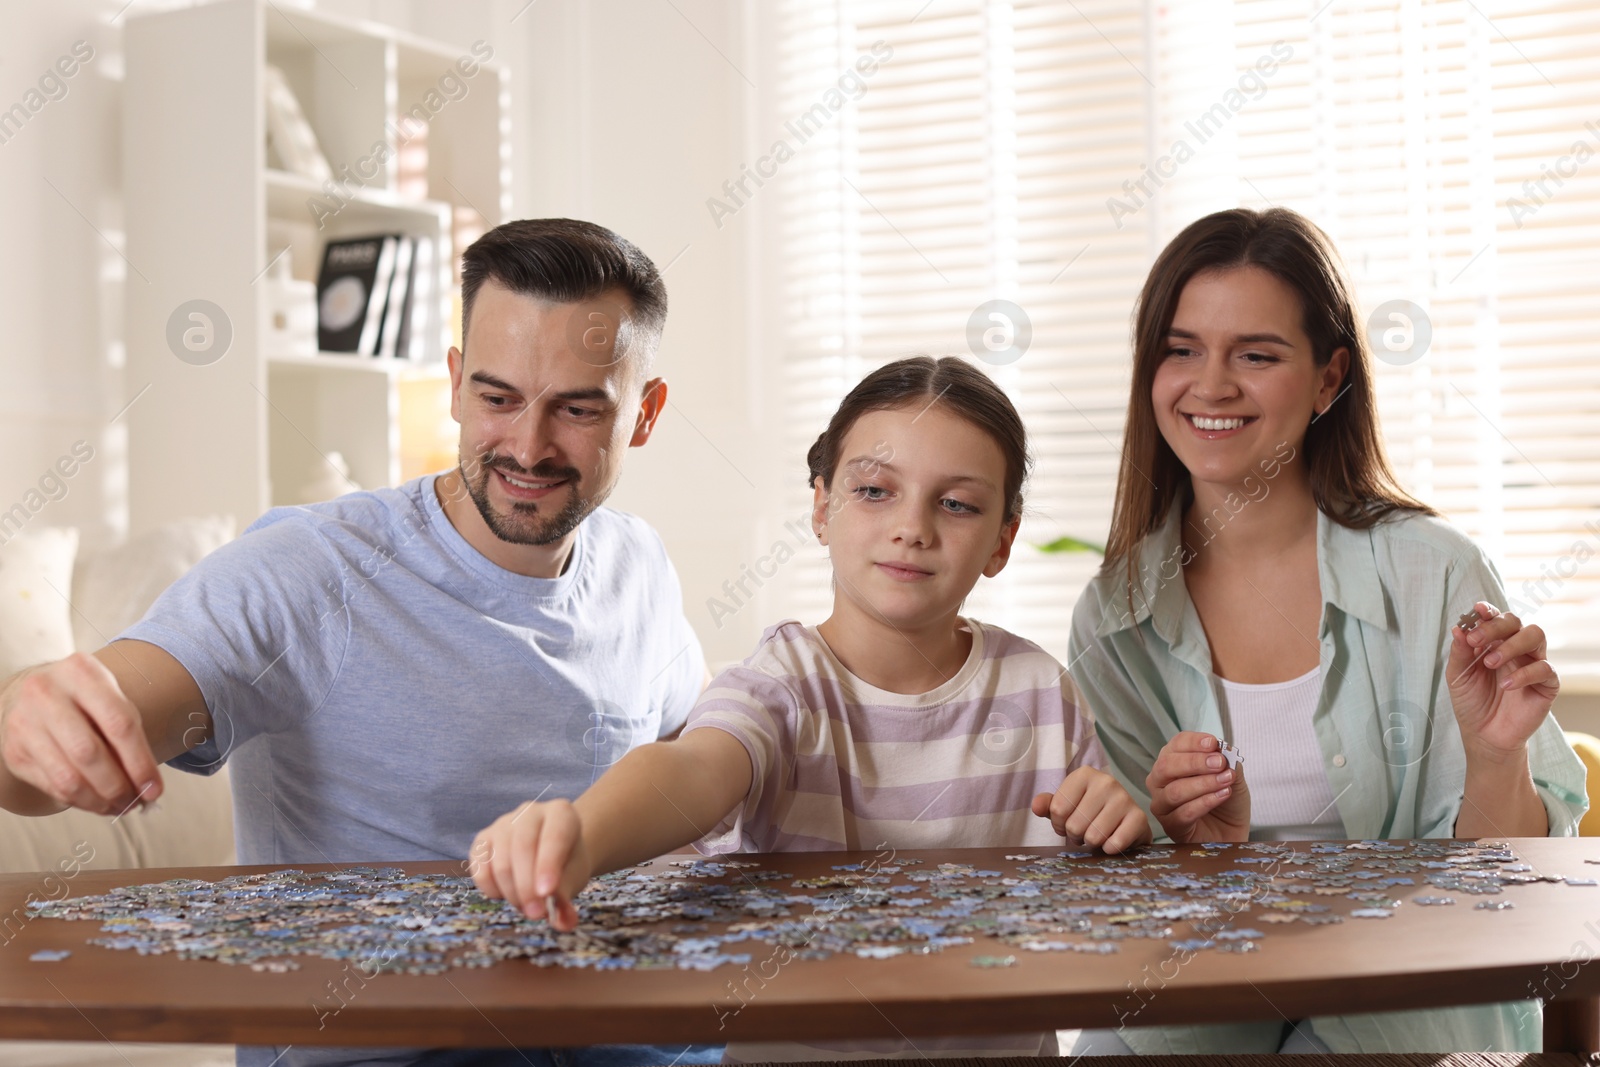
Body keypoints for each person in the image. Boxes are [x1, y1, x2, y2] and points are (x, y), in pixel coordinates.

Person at [0, 219, 721, 1067]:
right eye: (497, 397)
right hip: (389, 1050)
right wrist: (29, 720)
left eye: (576, 408)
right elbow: (101, 714)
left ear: (645, 412)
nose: (528, 445)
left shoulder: (639, 561)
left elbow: (697, 770)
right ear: (454, 386)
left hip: (624, 1039)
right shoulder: (305, 570)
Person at [470, 355, 1152, 1063]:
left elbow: (1098, 886)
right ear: (822, 509)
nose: (912, 526)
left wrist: (1111, 821)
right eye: (875, 490)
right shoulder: (781, 683)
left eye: (957, 503)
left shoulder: (1040, 687)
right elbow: (692, 771)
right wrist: (583, 835)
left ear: (1001, 542)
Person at [1066, 207, 1589, 1055]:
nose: (1211, 385)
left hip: (1420, 974)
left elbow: (1510, 890)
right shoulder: (1116, 612)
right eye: (1181, 348)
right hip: (1209, 976)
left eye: (1257, 355)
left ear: (1327, 378)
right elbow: (1128, 895)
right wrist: (1184, 847)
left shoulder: (1437, 572)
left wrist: (1497, 755)